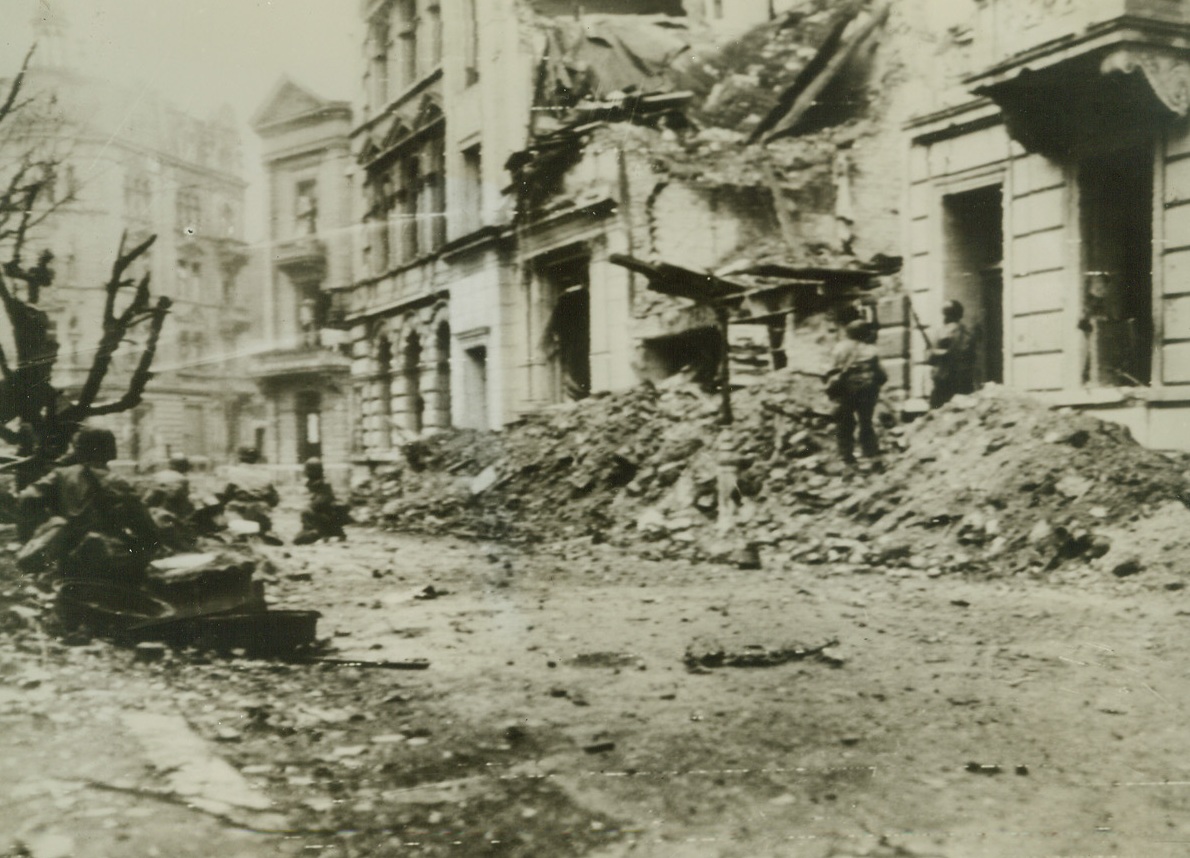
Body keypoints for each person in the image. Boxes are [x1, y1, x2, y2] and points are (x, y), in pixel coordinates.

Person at [16, 427, 160, 581]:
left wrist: (39, 532)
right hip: (106, 561)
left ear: (79, 451)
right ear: (111, 451)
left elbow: (27, 498)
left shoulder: (60, 475)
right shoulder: (118, 482)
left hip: (66, 562)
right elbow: (148, 531)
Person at [824, 319, 887, 465]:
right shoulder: (871, 350)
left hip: (846, 390)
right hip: (868, 391)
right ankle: (870, 452)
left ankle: (846, 456)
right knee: (866, 422)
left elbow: (831, 370)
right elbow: (882, 375)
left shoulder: (840, 348)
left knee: (845, 423)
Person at [219, 446, 281, 543]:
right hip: (260, 513)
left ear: (239, 457)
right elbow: (274, 500)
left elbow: (224, 496)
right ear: (257, 458)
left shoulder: (232, 472)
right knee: (265, 521)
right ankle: (265, 532)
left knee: (228, 524)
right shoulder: (266, 474)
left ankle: (237, 535)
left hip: (239, 513)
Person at [927, 300, 975, 409]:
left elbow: (930, 359)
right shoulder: (967, 332)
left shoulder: (941, 332)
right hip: (961, 381)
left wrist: (935, 352)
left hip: (945, 381)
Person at [293, 458, 351, 545]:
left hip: (327, 515)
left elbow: (320, 502)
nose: (306, 472)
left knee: (306, 512)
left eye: (308, 470)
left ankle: (319, 533)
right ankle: (316, 533)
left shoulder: (323, 484)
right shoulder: (315, 483)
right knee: (298, 538)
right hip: (324, 514)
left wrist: (310, 505)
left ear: (314, 471)